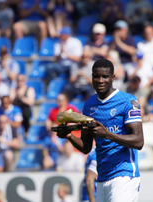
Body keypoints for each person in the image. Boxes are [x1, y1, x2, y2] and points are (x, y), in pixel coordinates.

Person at [56, 59, 144, 202]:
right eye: (96, 76)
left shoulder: (127, 101)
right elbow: (86, 147)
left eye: (105, 76)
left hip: (124, 174)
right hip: (102, 178)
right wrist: (69, 136)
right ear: (91, 77)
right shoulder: (90, 105)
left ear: (113, 78)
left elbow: (139, 141)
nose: (100, 80)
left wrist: (107, 134)